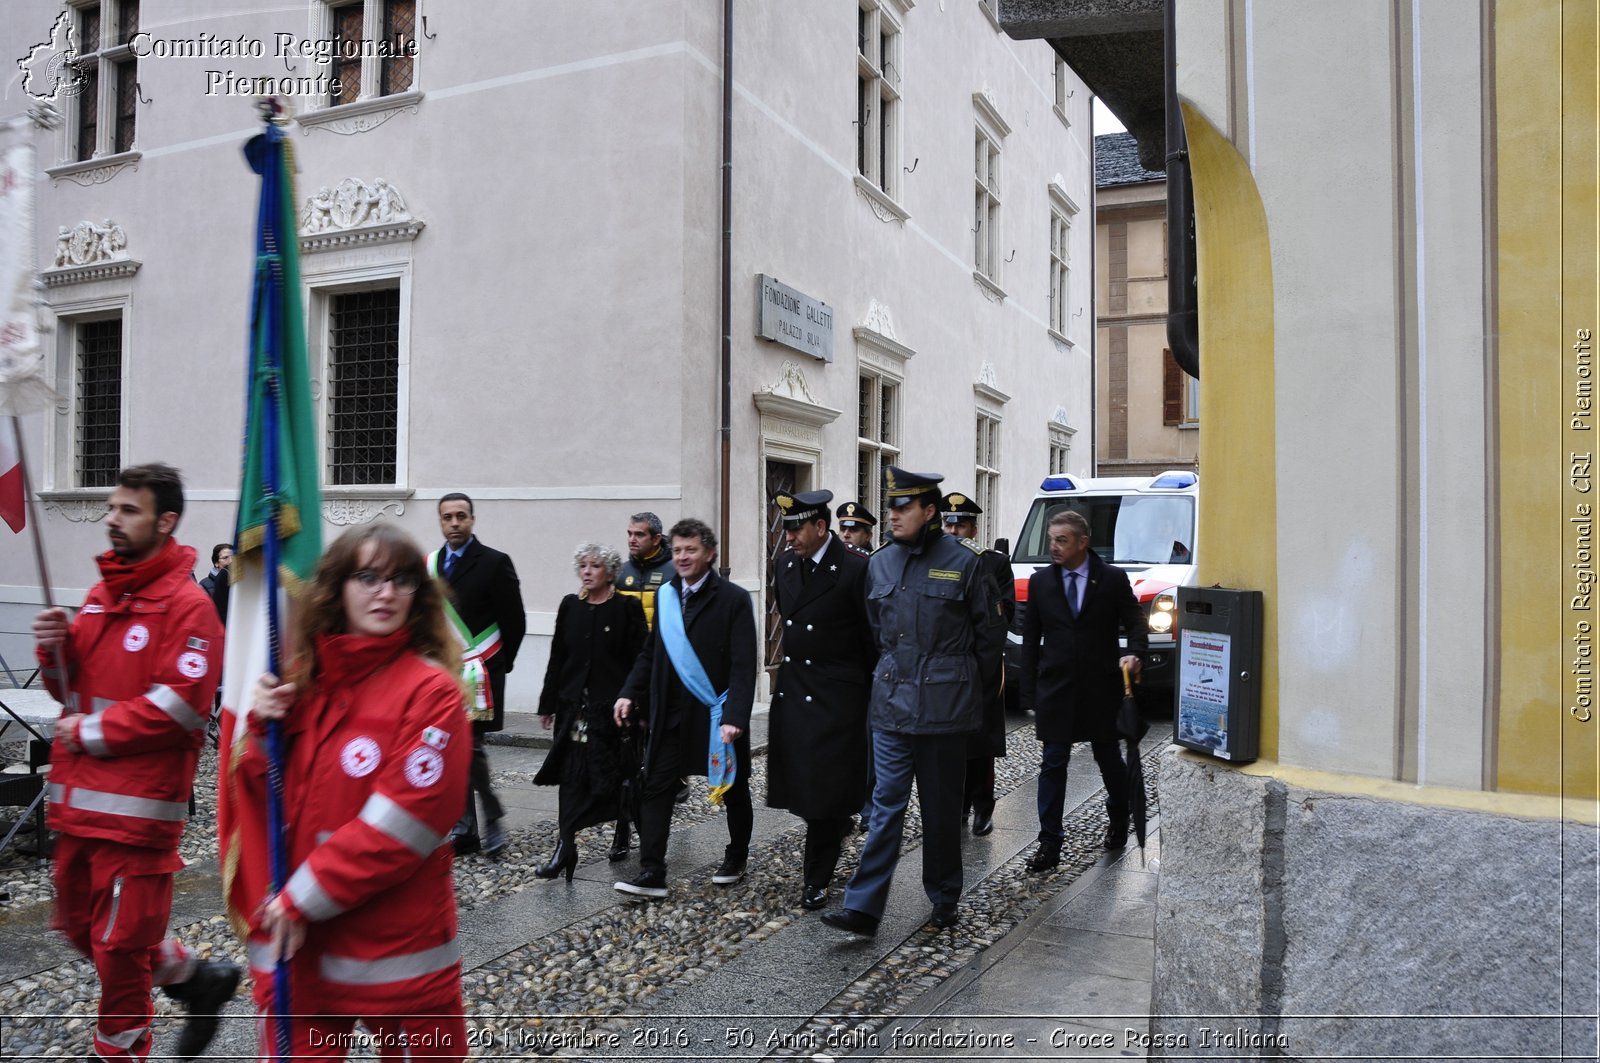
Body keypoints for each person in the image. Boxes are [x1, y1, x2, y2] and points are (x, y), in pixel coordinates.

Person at [232, 523, 472, 1059]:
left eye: (402, 579)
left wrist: (299, 899)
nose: (385, 593)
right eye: (368, 577)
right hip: (309, 955)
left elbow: (402, 824)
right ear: (338, 586)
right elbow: (269, 804)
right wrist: (262, 733)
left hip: (398, 957)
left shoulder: (431, 692)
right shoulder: (307, 683)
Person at [31, 462, 240, 1060]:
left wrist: (88, 733)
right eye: (112, 507)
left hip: (138, 820)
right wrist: (55, 649)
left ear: (166, 520)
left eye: (129, 510)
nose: (112, 520)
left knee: (120, 954)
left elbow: (179, 709)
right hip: (78, 813)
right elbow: (69, 692)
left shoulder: (189, 606)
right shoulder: (101, 596)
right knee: (82, 933)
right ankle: (196, 980)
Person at [821, 467, 1004, 936]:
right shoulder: (879, 563)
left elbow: (989, 640)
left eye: (904, 506)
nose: (894, 514)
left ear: (929, 511)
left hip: (944, 708)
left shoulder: (967, 562)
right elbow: (872, 632)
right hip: (890, 705)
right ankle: (862, 908)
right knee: (884, 806)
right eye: (891, 506)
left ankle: (944, 895)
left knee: (942, 809)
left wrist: (967, 695)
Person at [612, 518, 758, 899]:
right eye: (676, 550)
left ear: (709, 554)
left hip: (714, 715)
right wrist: (630, 692)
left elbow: (744, 664)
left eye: (690, 549)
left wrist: (736, 717)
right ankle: (652, 871)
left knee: (733, 789)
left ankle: (736, 854)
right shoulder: (666, 596)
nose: (682, 557)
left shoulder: (734, 599)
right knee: (655, 788)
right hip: (670, 714)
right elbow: (650, 653)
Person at [1018, 508, 1147, 871]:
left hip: (1100, 689)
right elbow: (1030, 642)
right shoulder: (1042, 581)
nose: (1054, 548)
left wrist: (1134, 653)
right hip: (1056, 690)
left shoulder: (1111, 579)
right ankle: (1049, 843)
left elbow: (1136, 623)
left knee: (1108, 759)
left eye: (1062, 540)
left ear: (1083, 543)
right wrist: (1028, 694)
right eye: (1051, 541)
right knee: (1053, 763)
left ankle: (1119, 816)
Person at [765, 490, 875, 910]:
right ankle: (833, 826)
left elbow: (870, 639)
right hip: (797, 690)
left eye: (796, 528)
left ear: (820, 528)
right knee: (805, 787)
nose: (788, 536)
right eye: (786, 528)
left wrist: (865, 696)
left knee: (826, 790)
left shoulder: (854, 570)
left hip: (838, 696)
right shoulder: (785, 564)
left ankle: (817, 877)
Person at [533, 542, 648, 877]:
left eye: (594, 566)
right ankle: (565, 847)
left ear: (610, 572)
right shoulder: (570, 606)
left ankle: (643, 844)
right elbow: (558, 657)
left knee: (617, 779)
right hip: (573, 709)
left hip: (611, 712)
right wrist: (548, 703)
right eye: (582, 565)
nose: (586, 572)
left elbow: (639, 660)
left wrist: (638, 707)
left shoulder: (626, 608)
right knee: (570, 779)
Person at [431, 492, 526, 856]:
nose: (454, 523)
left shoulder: (494, 562)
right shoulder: (432, 565)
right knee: (456, 750)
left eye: (461, 516)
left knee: (471, 747)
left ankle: (488, 821)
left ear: (472, 519)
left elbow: (514, 620)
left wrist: (500, 664)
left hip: (482, 672)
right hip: (444, 675)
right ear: (440, 522)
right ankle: (468, 830)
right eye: (447, 518)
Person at [940, 492, 1016, 836]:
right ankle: (954, 805)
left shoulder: (993, 562)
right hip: (945, 666)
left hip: (980, 664)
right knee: (948, 743)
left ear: (973, 528)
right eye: (948, 524)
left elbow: (1005, 613)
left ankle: (982, 806)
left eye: (960, 525)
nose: (953, 531)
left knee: (980, 742)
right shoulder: (936, 561)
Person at [618, 511, 674, 629]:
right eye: (630, 534)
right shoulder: (619, 572)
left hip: (660, 645)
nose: (632, 540)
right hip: (630, 646)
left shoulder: (676, 571)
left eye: (639, 535)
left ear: (656, 539)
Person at [199, 544, 233, 619]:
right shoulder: (205, 585)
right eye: (225, 558)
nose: (231, 560)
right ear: (216, 563)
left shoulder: (238, 583)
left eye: (233, 556)